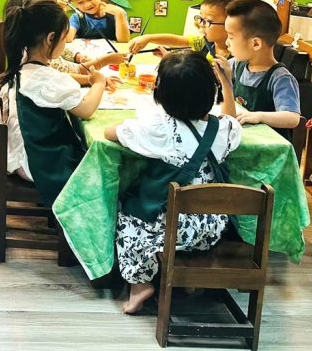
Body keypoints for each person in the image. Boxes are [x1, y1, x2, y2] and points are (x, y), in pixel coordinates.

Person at [104, 50, 242, 314]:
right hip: (211, 228)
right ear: (211, 92)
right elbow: (232, 119)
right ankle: (185, 280)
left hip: (167, 229)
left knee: (127, 217)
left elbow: (111, 133)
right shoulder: (224, 130)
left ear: (160, 94)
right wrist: (227, 84)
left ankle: (140, 285)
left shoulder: (162, 130)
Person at [0, 0, 106, 206]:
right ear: (50, 39)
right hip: (39, 165)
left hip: (20, 156)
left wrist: (89, 81)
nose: (65, 43)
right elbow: (86, 110)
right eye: (64, 38)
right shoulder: (47, 79)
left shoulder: (22, 67)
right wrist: (99, 83)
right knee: (104, 171)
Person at [217, 0, 301, 131]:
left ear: (256, 43)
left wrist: (259, 116)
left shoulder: (280, 78)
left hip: (269, 143)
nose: (227, 42)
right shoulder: (236, 65)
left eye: (231, 37)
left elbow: (292, 118)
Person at [128, 0, 242, 59]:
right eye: (200, 18)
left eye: (207, 21)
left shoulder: (237, 57)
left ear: (230, 24)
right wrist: (148, 38)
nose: (201, 24)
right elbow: (177, 40)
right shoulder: (204, 43)